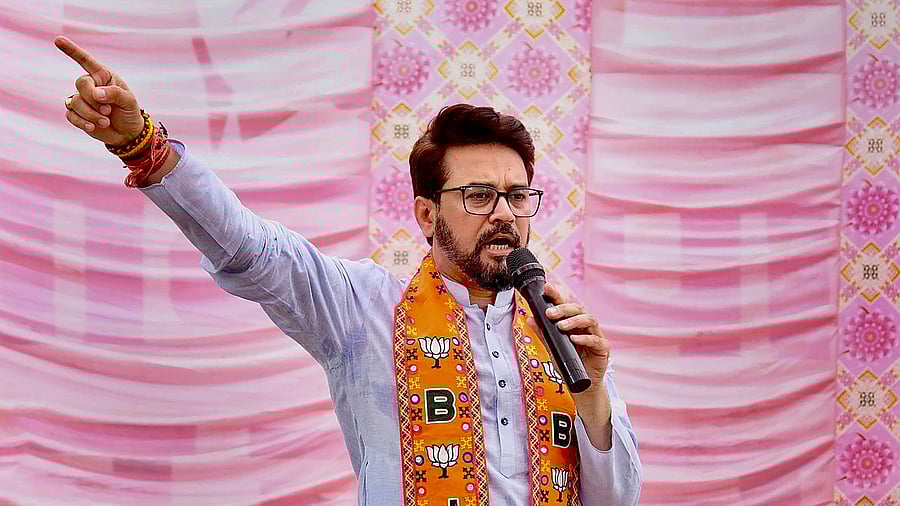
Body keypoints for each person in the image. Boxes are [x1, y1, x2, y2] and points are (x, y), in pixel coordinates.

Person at [54, 35, 642, 505]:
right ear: (426, 214)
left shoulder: (560, 330)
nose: (505, 215)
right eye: (480, 195)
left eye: (518, 196)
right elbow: (248, 247)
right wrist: (141, 145)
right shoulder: (360, 307)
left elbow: (619, 499)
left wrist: (591, 393)